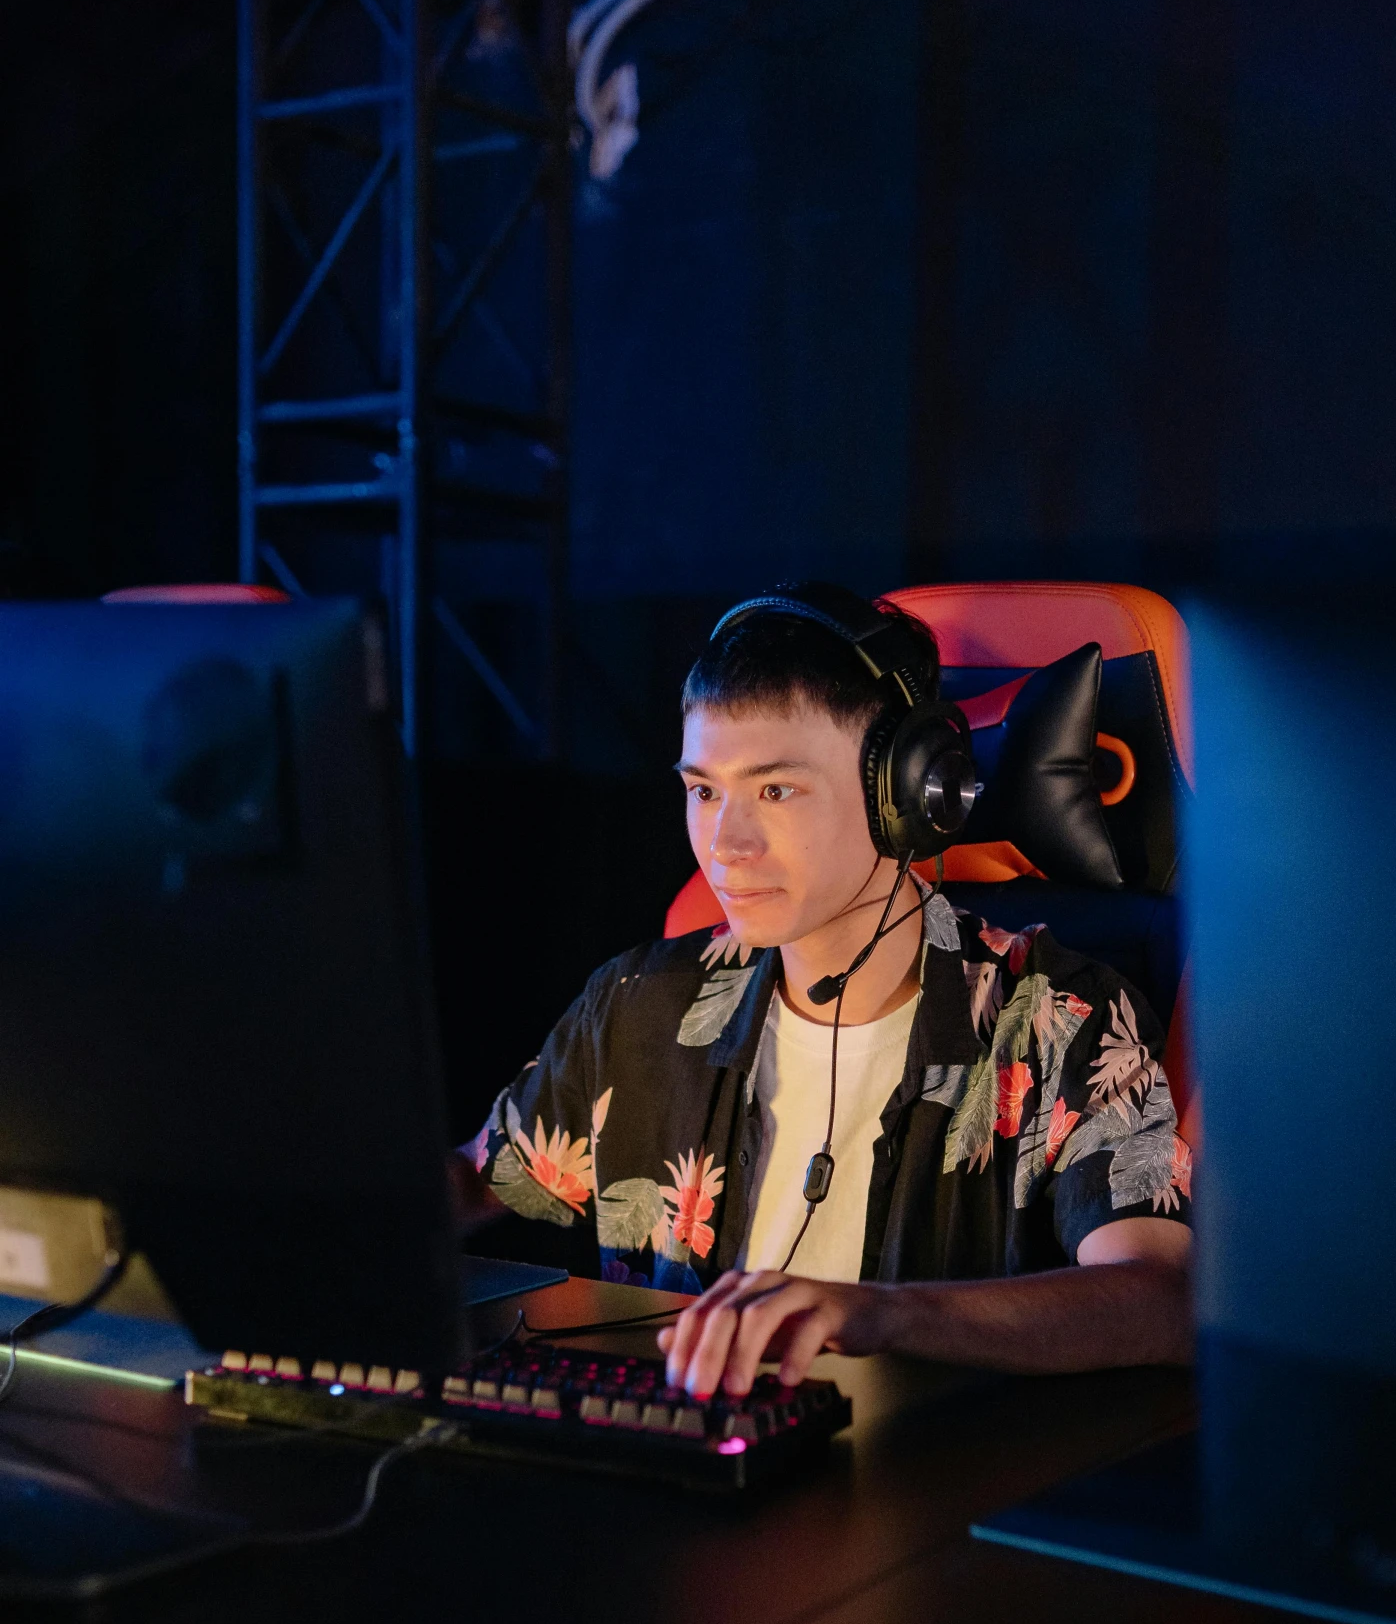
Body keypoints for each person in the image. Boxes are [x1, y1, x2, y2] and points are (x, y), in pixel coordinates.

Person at [459, 581, 1192, 1390]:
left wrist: (877, 1313)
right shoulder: (638, 1003)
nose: (725, 844)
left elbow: (1158, 1298)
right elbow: (475, 1181)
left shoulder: (1061, 1018)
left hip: (932, 1493)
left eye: (775, 789)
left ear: (911, 797)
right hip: (682, 1488)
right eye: (704, 791)